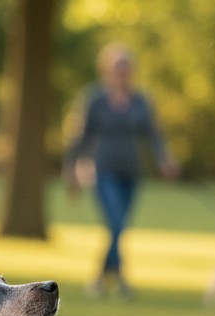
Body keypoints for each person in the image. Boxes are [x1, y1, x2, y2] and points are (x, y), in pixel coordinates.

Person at [65, 43, 179, 299]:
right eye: (118, 68)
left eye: (126, 69)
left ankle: (100, 277)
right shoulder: (95, 99)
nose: (122, 73)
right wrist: (71, 168)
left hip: (131, 172)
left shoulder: (140, 101)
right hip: (102, 170)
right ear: (107, 70)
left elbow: (154, 135)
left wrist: (165, 160)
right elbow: (79, 137)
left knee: (119, 227)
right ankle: (121, 280)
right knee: (115, 223)